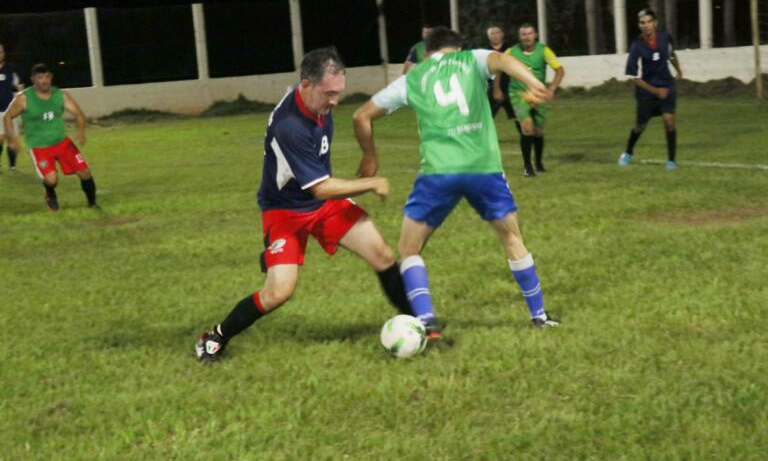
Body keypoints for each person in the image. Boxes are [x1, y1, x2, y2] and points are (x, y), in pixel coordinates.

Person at [195, 47, 412, 362]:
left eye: (339, 92)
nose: (335, 101)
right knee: (278, 293)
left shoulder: (315, 101)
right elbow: (321, 188)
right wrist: (371, 183)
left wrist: (368, 154)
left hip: (323, 203)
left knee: (382, 254)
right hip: (286, 211)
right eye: (329, 93)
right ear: (306, 84)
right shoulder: (290, 125)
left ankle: (418, 324)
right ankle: (216, 336)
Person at [353, 27, 559, 341]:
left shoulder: (413, 77)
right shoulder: (472, 59)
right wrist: (535, 83)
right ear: (457, 47)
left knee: (409, 249)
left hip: (438, 173)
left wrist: (370, 156)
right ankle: (539, 316)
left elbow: (361, 116)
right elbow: (503, 60)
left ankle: (427, 323)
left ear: (426, 52)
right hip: (483, 169)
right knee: (512, 238)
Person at [3, 64, 97, 211]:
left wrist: (81, 132)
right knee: (51, 180)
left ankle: (93, 205)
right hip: (39, 147)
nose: (44, 80)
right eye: (40, 77)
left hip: (62, 143)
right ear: (33, 79)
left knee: (85, 173)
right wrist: (13, 140)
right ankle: (50, 193)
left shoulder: (60, 95)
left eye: (47, 77)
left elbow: (78, 114)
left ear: (51, 77)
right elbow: (7, 117)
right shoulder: (24, 98)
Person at [618, 8, 682, 170]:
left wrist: (679, 70)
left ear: (655, 23)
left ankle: (671, 160)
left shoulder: (665, 38)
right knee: (640, 126)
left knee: (669, 121)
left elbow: (671, 54)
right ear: (639, 25)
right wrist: (655, 91)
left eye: (649, 22)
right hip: (647, 91)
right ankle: (628, 152)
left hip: (666, 85)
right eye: (642, 23)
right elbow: (634, 77)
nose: (646, 25)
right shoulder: (636, 45)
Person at [497, 23, 564, 176]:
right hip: (518, 95)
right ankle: (527, 166)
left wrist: (552, 88)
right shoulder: (511, 51)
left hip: (539, 94)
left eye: (529, 33)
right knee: (527, 128)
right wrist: (497, 89)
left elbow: (559, 70)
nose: (527, 37)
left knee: (538, 131)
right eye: (523, 34)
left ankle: (538, 163)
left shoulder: (544, 50)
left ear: (536, 35)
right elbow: (498, 68)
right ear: (519, 37)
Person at [0, 44, 24, 171]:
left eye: (1, 52)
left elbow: (19, 86)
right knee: (0, 138)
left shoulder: (10, 69)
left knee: (11, 138)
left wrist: (21, 98)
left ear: (4, 53)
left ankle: (12, 165)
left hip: (10, 111)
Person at [484, 26, 516, 123]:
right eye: (492, 34)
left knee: (520, 114)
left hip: (511, 89)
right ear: (489, 37)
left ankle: (526, 132)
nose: (495, 36)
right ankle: (484, 132)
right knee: (487, 117)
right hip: (492, 90)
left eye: (497, 32)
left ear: (502, 34)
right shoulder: (485, 51)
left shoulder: (511, 49)